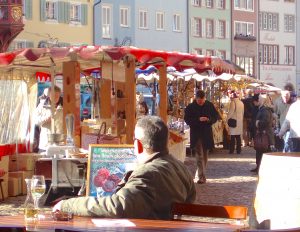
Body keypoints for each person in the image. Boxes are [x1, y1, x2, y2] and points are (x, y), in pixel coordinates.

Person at [53, 115, 196, 219]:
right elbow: (188, 204)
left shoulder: (147, 173)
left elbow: (117, 206)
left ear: (138, 145)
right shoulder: (181, 168)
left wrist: (68, 205)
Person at [184, 90, 219, 184]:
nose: (201, 102)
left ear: (204, 99)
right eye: (199, 101)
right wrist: (198, 119)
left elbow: (216, 117)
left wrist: (209, 119)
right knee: (199, 155)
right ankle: (202, 176)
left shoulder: (209, 105)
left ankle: (201, 172)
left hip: (206, 133)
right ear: (196, 98)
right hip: (196, 133)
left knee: (205, 155)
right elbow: (187, 119)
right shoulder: (190, 107)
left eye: (202, 101)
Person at [34, 85, 63, 151]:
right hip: (46, 143)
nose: (55, 98)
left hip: (59, 143)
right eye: (54, 96)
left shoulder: (63, 106)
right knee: (45, 161)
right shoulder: (42, 106)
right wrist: (46, 119)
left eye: (57, 96)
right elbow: (35, 121)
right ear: (49, 95)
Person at [251, 94, 275, 173]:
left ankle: (261, 168)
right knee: (259, 151)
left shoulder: (265, 110)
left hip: (265, 134)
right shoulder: (263, 109)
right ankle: (258, 167)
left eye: (260, 99)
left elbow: (265, 121)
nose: (259, 100)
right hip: (263, 134)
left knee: (263, 151)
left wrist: (258, 123)